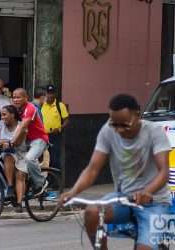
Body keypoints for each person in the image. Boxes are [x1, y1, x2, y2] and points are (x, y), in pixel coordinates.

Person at [59, 94, 171, 250]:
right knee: (92, 213)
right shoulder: (107, 131)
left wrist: (148, 192)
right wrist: (73, 192)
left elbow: (164, 172)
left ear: (137, 115)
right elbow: (92, 169)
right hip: (123, 198)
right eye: (114, 124)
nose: (118, 130)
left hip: (155, 202)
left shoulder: (154, 132)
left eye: (124, 125)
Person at [10, 88, 49, 197]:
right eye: (14, 97)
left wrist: (12, 141)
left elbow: (23, 125)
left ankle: (41, 182)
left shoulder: (30, 108)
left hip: (39, 140)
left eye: (18, 97)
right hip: (27, 141)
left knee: (29, 158)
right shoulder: (17, 110)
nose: (16, 100)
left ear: (26, 98)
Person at [41, 84, 69, 171]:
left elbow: (66, 121)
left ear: (55, 94)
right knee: (41, 159)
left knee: (55, 159)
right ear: (45, 94)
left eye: (52, 93)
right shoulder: (41, 105)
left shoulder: (60, 105)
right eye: (48, 93)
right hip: (42, 136)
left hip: (55, 136)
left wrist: (60, 128)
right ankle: (44, 181)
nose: (50, 95)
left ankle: (56, 181)